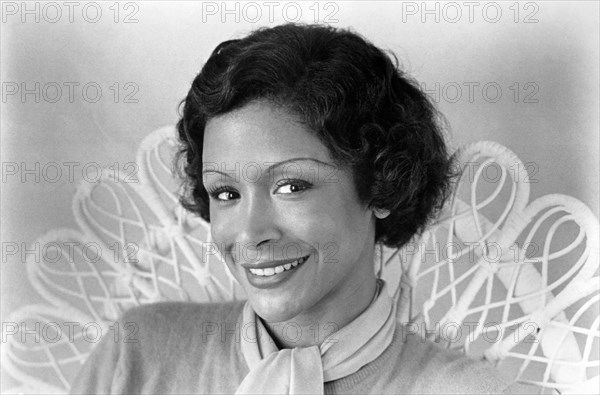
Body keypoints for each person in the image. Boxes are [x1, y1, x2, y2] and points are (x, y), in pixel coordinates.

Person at [70, 23, 533, 394]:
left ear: (381, 187)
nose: (250, 233)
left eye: (291, 185)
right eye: (226, 194)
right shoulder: (135, 355)